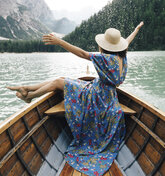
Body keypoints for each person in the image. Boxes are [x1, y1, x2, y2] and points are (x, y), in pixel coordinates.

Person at [7, 21, 144, 176]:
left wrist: (59, 42)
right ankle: (29, 90)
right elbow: (128, 40)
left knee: (59, 82)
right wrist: (136, 29)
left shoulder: (106, 59)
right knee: (62, 80)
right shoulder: (122, 56)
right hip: (108, 96)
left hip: (97, 96)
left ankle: (30, 95)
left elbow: (82, 53)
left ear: (104, 47)